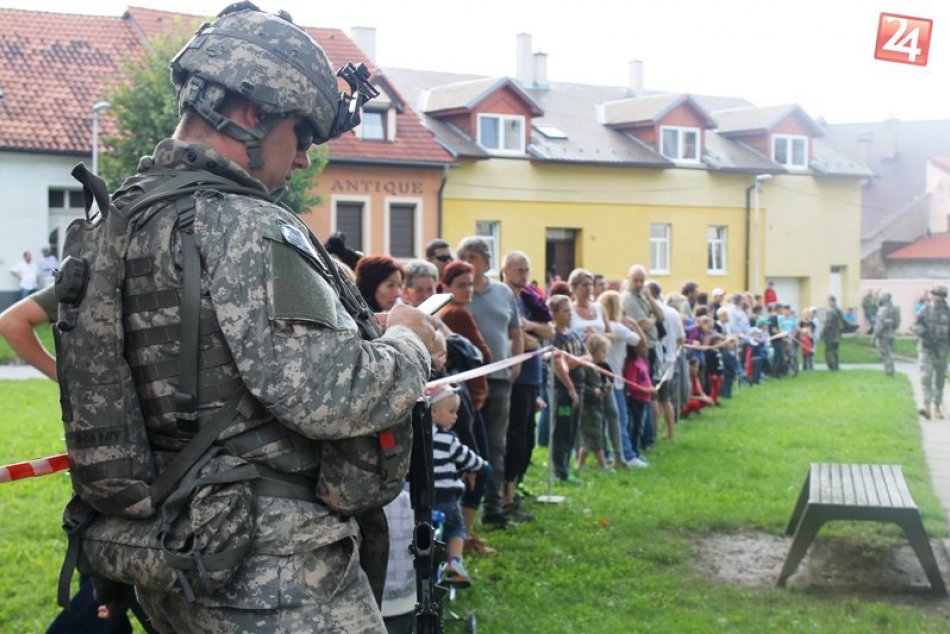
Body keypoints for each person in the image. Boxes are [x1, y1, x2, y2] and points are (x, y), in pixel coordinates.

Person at [78, 6, 439, 631]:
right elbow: (331, 395)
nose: (303, 159)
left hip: (173, 553)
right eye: (301, 134)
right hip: (273, 574)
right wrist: (409, 340)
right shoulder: (243, 225)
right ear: (252, 112)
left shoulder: (119, 222)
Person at [0, 286, 144, 633]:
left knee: (108, 569)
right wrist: (68, 380)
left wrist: (72, 383)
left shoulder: (90, 264)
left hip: (109, 453)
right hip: (146, 452)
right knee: (108, 586)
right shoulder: (94, 268)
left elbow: (13, 322)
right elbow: (12, 322)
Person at [457, 236, 523, 529]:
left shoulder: (503, 293)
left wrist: (517, 360)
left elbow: (516, 331)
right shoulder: (457, 292)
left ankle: (493, 507)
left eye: (473, 257)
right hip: (466, 382)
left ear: (485, 261)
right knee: (465, 443)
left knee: (497, 443)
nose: (468, 263)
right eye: (464, 257)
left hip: (498, 379)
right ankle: (461, 509)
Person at [435, 261, 494, 552]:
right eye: (461, 285)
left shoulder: (456, 312)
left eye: (471, 284)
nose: (468, 289)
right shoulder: (455, 313)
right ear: (445, 288)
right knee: (474, 470)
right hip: (460, 405)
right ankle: (462, 536)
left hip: (468, 402)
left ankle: (463, 535)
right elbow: (476, 356)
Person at [501, 251, 550, 521]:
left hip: (533, 375)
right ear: (505, 270)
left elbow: (548, 332)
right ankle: (505, 495)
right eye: (519, 270)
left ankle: (515, 485)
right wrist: (529, 336)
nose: (524, 276)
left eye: (527, 270)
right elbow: (521, 339)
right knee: (515, 436)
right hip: (513, 377)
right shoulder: (504, 297)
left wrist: (528, 327)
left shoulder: (529, 300)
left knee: (528, 438)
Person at [429, 385, 490, 588]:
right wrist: (483, 466)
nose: (456, 417)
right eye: (452, 412)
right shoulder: (448, 439)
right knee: (456, 529)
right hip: (446, 497)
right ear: (433, 411)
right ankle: (454, 562)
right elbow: (467, 457)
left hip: (421, 499)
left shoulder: (415, 437)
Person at [597, 290, 647, 467]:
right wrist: (633, 323)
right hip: (615, 378)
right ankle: (626, 454)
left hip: (599, 377)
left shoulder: (600, 327)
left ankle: (605, 454)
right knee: (620, 418)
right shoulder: (618, 328)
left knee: (601, 420)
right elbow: (639, 341)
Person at [548, 294, 583, 483]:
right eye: (565, 311)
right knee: (562, 428)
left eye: (570, 310)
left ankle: (566, 467)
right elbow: (560, 366)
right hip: (563, 391)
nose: (570, 314)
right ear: (553, 313)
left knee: (572, 429)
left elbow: (588, 358)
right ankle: (559, 470)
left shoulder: (574, 335)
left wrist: (575, 361)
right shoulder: (554, 337)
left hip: (580, 386)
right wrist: (570, 388)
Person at [576, 333, 613, 472]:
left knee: (589, 437)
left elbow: (597, 385)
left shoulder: (597, 367)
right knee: (595, 436)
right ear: (593, 351)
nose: (605, 354)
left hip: (596, 405)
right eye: (602, 351)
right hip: (588, 406)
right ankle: (602, 465)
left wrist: (605, 388)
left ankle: (580, 464)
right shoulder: (586, 368)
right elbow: (582, 386)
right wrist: (594, 392)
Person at [912, 285, 950, 419]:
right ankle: (925, 405)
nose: (937, 298)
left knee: (939, 379)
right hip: (926, 348)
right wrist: (922, 332)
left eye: (940, 295)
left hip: (942, 349)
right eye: (935, 294)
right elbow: (914, 325)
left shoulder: (948, 312)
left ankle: (937, 406)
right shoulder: (924, 310)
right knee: (926, 376)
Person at [874, 291, 901, 377]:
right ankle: (890, 370)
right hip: (891, 334)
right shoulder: (896, 309)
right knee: (889, 352)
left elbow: (879, 324)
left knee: (885, 354)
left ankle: (889, 371)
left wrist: (876, 335)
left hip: (883, 335)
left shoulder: (883, 309)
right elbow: (897, 322)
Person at [821, 295, 845, 371]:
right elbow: (842, 322)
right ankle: (836, 366)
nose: (828, 303)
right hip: (837, 334)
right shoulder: (839, 310)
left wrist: (823, 333)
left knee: (829, 352)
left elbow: (828, 324)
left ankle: (831, 366)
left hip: (830, 334)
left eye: (828, 301)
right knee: (835, 351)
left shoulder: (830, 311)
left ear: (831, 301)